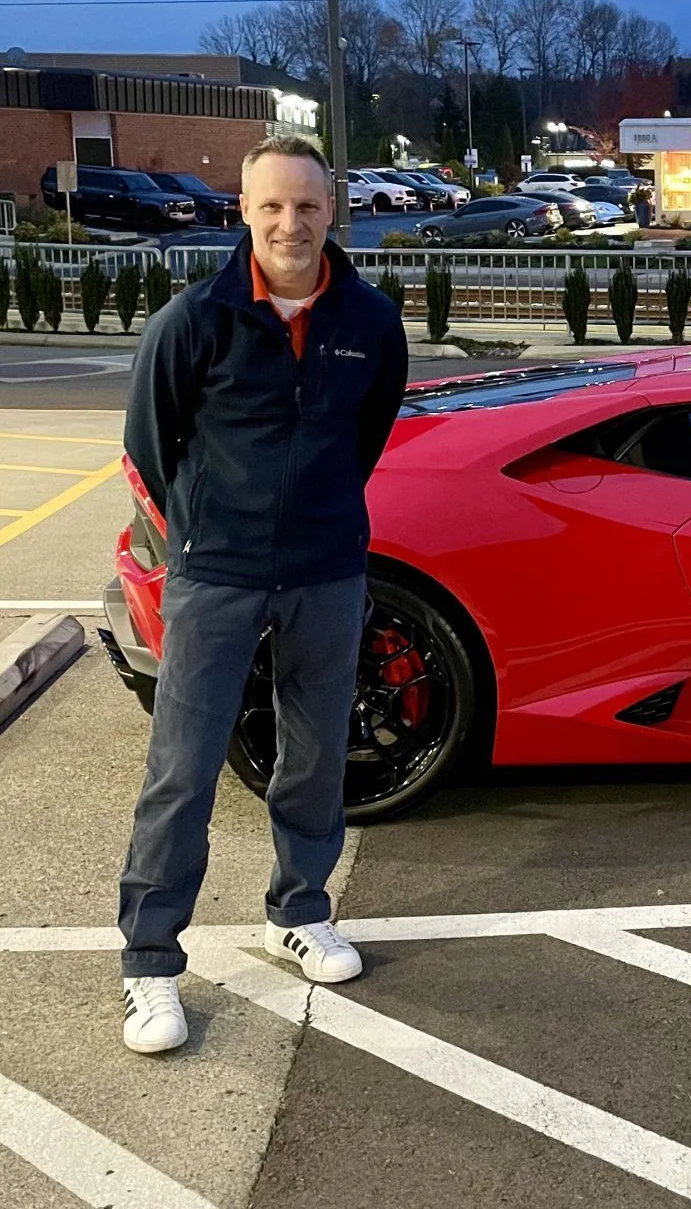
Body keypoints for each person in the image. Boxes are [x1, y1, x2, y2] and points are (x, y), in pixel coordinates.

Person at [118, 137, 409, 1054]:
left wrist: (318, 520)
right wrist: (208, 532)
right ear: (243, 211)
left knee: (315, 756)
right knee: (184, 769)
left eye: (308, 206)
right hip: (217, 575)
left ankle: (300, 911)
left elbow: (365, 435)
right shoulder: (194, 320)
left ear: (333, 211)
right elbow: (150, 444)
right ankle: (150, 961)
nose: (291, 224)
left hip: (326, 572)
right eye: (273, 206)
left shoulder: (370, 320)